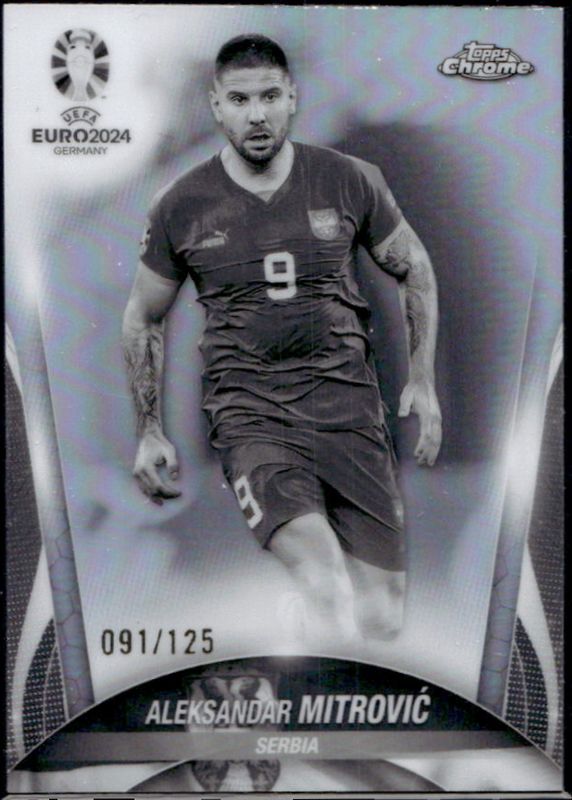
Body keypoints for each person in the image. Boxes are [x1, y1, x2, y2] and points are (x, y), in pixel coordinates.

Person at [122, 34, 442, 645]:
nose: (257, 114)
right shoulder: (181, 203)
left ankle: (305, 628)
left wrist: (422, 381)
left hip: (348, 410)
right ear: (216, 105)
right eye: (240, 99)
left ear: (293, 97)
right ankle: (312, 660)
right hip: (253, 415)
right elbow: (143, 315)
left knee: (381, 617)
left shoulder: (350, 179)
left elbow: (415, 268)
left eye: (270, 96)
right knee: (325, 579)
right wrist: (150, 430)